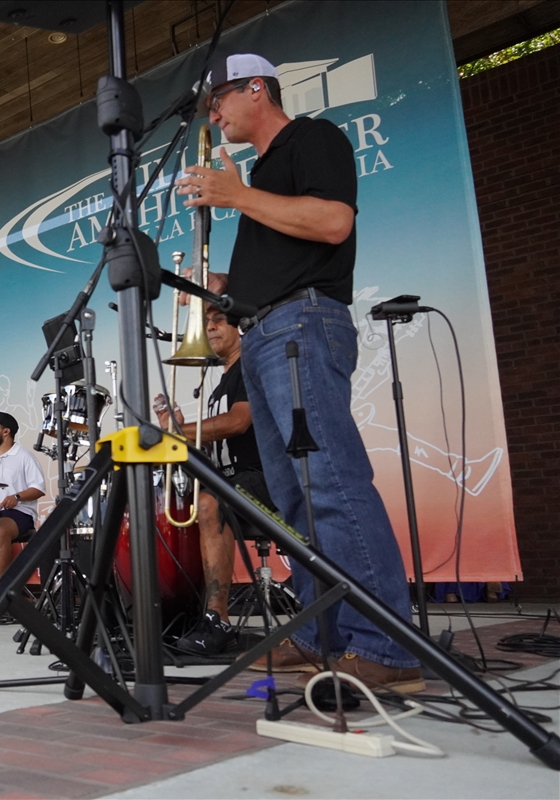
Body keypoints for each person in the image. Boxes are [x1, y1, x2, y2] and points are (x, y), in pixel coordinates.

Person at [174, 52, 422, 692]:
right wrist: (223, 284)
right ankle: (321, 635)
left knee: (330, 485)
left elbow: (334, 222)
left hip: (301, 327)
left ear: (257, 88)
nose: (214, 115)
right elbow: (280, 258)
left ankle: (387, 648)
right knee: (291, 502)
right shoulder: (260, 176)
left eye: (219, 101)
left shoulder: (311, 137)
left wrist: (236, 196)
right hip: (264, 334)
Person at [154, 307, 274, 656]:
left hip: (265, 478)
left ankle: (217, 620)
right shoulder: (219, 385)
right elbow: (215, 446)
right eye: (206, 322)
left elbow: (238, 422)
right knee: (182, 503)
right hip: (232, 479)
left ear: (240, 327)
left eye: (219, 320)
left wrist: (179, 432)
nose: (210, 327)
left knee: (207, 502)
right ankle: (185, 610)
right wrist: (177, 427)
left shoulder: (250, 368)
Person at [0, 412, 46, 580]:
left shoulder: (24, 456)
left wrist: (17, 497)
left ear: (6, 431)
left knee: (1, 529)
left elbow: (39, 488)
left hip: (20, 514)